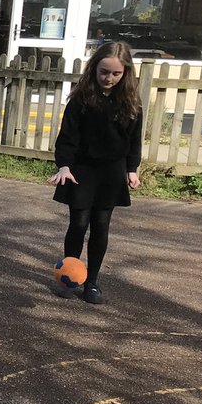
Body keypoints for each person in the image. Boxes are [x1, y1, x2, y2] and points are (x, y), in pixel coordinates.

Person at [48, 40, 143, 305]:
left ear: (125, 74)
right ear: (94, 69)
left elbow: (134, 141)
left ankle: (92, 283)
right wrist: (64, 165)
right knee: (78, 224)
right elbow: (67, 137)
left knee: (101, 225)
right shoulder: (81, 99)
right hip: (81, 170)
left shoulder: (131, 103)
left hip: (111, 173)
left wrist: (132, 169)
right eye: (104, 72)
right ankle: (69, 277)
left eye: (115, 74)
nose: (109, 78)